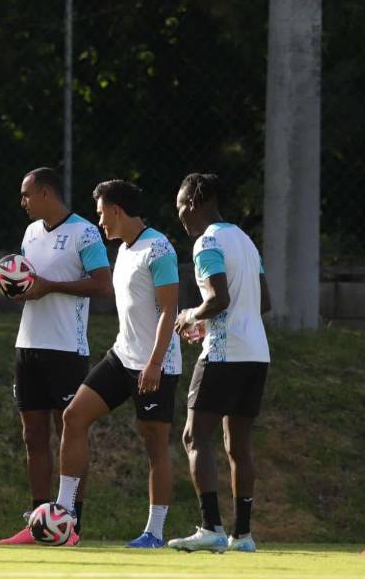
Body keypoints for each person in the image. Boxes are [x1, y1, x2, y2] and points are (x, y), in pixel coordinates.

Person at [53, 180, 181, 549]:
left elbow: (169, 309)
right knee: (73, 417)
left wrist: (155, 363)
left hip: (156, 365)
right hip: (122, 356)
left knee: (155, 445)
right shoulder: (124, 249)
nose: (99, 223)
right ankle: (64, 514)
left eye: (101, 214)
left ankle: (154, 532)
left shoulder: (158, 248)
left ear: (116, 210)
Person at [0, 167, 111, 545]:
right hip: (27, 345)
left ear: (46, 193)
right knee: (33, 436)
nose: (22, 202)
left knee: (69, 433)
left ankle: (71, 523)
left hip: (66, 348)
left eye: (26, 194)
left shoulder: (85, 232)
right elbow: (30, 281)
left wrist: (51, 288)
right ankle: (38, 521)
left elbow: (102, 284)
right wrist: (12, 287)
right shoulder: (30, 233)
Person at [167, 173, 271, 554]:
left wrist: (190, 317)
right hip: (256, 352)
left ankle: (210, 527)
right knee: (238, 446)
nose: (179, 215)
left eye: (180, 206)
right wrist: (210, 321)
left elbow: (219, 298)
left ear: (194, 201)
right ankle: (242, 536)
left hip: (224, 354)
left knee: (195, 435)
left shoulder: (206, 241)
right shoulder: (245, 240)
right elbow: (262, 303)